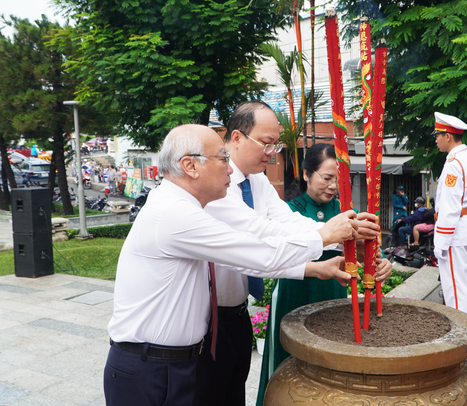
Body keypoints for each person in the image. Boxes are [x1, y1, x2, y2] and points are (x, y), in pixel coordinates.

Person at [104, 124, 361, 406]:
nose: (230, 169)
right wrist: (326, 235)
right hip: (149, 367)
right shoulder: (175, 214)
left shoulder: (185, 205)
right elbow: (258, 253)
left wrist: (318, 262)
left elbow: (256, 253)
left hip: (173, 362)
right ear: (190, 165)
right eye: (223, 158)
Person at [195, 101, 381, 406]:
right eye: (266, 143)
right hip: (209, 320)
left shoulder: (257, 181)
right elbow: (260, 233)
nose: (272, 152)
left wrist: (344, 238)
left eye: (275, 143)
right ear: (237, 138)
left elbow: (287, 222)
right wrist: (329, 235)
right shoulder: (218, 185)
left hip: (238, 312)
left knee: (231, 393)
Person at [255, 143, 393, 405]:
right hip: (294, 294)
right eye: (326, 178)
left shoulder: (345, 211)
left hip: (333, 296)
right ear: (306, 174)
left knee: (329, 372)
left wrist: (380, 263)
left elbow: (370, 250)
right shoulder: (289, 212)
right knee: (285, 370)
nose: (332, 186)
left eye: (337, 180)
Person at [432, 112, 467, 318]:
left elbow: (450, 207)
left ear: (448, 136)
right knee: (463, 282)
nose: (435, 139)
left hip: (455, 230)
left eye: (437, 135)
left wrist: (440, 242)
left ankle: (460, 333)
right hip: (465, 224)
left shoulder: (455, 164)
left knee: (455, 287)